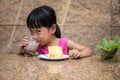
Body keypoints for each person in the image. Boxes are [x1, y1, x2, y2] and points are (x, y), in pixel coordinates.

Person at [18, 5, 92, 58]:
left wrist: (79, 54)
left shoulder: (64, 43)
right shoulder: (37, 46)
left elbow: (88, 50)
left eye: (38, 31)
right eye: (31, 32)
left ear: (52, 29)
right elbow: (24, 55)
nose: (34, 36)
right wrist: (23, 49)